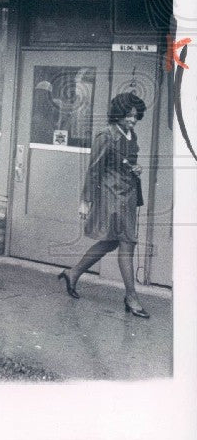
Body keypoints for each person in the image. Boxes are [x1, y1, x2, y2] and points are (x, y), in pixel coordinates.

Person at [58, 93, 151, 318]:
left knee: (110, 243)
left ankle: (73, 273)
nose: (133, 120)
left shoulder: (131, 135)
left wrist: (135, 168)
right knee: (127, 243)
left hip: (127, 197)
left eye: (136, 116)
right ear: (118, 114)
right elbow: (93, 170)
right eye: (129, 116)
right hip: (111, 198)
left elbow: (126, 162)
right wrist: (84, 201)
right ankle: (131, 297)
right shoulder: (106, 136)